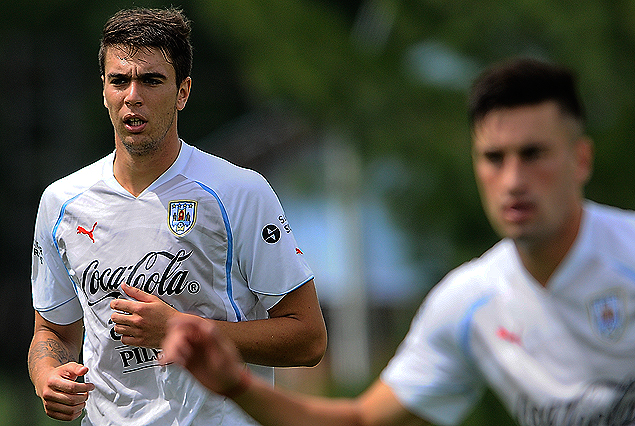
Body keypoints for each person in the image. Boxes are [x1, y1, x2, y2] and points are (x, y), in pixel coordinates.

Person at [160, 57, 635, 426]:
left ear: (581, 160)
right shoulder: (469, 302)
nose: (512, 179)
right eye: (494, 157)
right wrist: (237, 386)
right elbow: (361, 420)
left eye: (533, 154)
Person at [28, 7, 327, 425]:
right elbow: (53, 333)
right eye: (119, 80)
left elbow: (307, 338)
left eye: (151, 80)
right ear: (104, 90)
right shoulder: (61, 201)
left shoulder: (239, 191)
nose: (133, 95)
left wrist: (182, 329)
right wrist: (48, 375)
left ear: (183, 91)